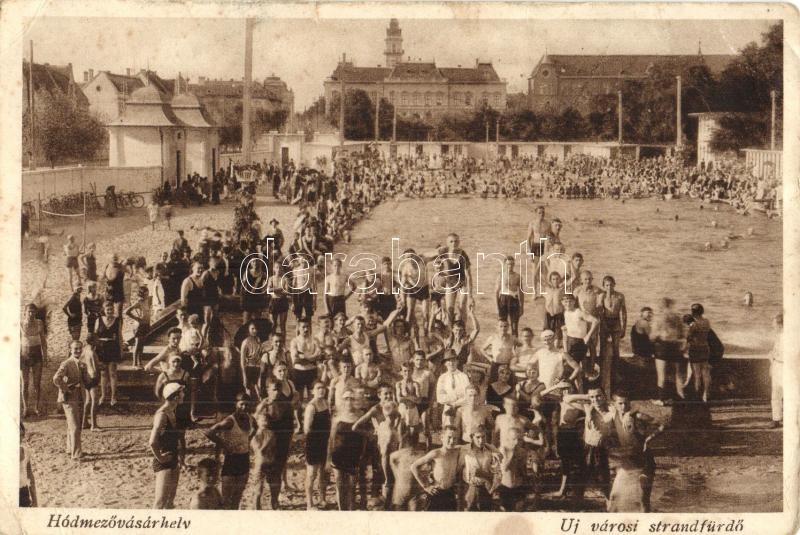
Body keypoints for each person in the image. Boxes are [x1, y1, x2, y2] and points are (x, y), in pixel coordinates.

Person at [205, 393, 255, 510]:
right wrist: (225, 445)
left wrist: (248, 439)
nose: (244, 407)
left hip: (244, 460)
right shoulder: (230, 421)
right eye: (242, 404)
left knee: (237, 498)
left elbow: (256, 428)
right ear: (236, 404)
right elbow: (209, 432)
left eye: (247, 405)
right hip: (231, 461)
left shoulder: (250, 419)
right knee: (226, 499)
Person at [150, 383, 186, 509]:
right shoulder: (162, 415)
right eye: (182, 392)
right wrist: (160, 458)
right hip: (164, 462)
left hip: (173, 458)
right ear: (175, 397)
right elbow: (152, 442)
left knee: (170, 502)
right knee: (160, 503)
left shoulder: (172, 411)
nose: (184, 395)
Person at [329, 388, 366, 510]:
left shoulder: (360, 415)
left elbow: (364, 437)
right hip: (338, 455)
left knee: (351, 487)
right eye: (346, 398)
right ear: (342, 400)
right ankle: (341, 510)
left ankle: (350, 510)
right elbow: (331, 438)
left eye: (351, 398)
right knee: (339, 486)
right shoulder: (337, 416)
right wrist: (328, 458)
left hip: (354, 455)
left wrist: (362, 454)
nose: (349, 401)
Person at [410, 425, 462, 511]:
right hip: (436, 492)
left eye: (455, 438)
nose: (452, 441)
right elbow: (413, 466)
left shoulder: (457, 451)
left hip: (450, 492)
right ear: (442, 438)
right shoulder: (436, 453)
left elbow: (471, 445)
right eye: (449, 437)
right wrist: (426, 486)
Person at [53, 340, 89, 461]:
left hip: (79, 396)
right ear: (70, 350)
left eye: (80, 348)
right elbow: (56, 379)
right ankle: (76, 454)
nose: (78, 351)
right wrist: (66, 389)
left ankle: (70, 448)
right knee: (75, 425)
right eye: (75, 349)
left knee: (72, 424)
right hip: (68, 397)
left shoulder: (82, 364)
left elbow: (85, 380)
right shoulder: (67, 363)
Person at [650, 297, 687, 405]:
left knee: (661, 376)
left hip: (663, 347)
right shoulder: (677, 317)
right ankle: (681, 397)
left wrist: (656, 336)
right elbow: (682, 334)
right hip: (676, 346)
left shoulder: (659, 318)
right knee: (678, 375)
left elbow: (652, 336)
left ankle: (661, 399)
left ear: (661, 306)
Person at [303, 381, 332, 509]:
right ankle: (309, 504)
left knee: (322, 473)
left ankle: (322, 499)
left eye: (323, 388)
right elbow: (306, 429)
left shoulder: (326, 403)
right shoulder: (311, 407)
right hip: (314, 443)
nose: (321, 390)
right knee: (311, 474)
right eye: (318, 388)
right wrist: (316, 439)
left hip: (325, 442)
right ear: (312, 391)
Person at [562, 293, 599, 389]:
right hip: (570, 341)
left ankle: (574, 388)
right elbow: (572, 326)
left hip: (579, 343)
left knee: (573, 368)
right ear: (562, 303)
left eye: (570, 301)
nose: (568, 304)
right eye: (565, 302)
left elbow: (595, 321)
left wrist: (588, 336)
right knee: (573, 368)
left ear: (574, 302)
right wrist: (565, 328)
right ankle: (577, 389)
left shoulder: (579, 312)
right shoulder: (566, 312)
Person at [599, 275, 627, 396]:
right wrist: (604, 326)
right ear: (603, 286)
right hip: (605, 321)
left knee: (616, 349)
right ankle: (602, 372)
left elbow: (623, 312)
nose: (609, 287)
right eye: (606, 285)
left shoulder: (620, 296)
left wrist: (624, 328)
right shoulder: (601, 296)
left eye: (611, 285)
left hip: (615, 322)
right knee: (603, 348)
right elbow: (600, 313)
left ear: (614, 285)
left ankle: (616, 372)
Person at [462, 425, 500, 511]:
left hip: (485, 490)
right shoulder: (464, 452)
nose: (481, 440)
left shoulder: (490, 453)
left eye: (483, 437)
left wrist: (491, 486)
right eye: (478, 437)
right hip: (470, 489)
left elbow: (498, 473)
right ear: (472, 437)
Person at [21, 303, 47, 417]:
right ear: (25, 312)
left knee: (37, 383)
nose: (31, 314)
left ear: (35, 312)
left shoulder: (39, 323)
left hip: (37, 355)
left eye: (33, 311)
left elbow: (43, 341)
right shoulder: (20, 324)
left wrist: (45, 356)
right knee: (25, 383)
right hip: (24, 355)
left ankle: (36, 407)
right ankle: (25, 408)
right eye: (29, 311)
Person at [95, 300, 122, 406]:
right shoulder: (98, 320)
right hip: (101, 349)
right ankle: (103, 395)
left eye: (111, 309)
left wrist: (121, 350)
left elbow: (119, 336)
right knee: (103, 373)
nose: (110, 311)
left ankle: (113, 397)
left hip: (113, 348)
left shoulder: (117, 320)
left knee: (112, 373)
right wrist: (94, 350)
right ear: (104, 310)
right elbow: (95, 336)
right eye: (108, 309)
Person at [436, 349, 471, 427]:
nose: (451, 363)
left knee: (463, 430)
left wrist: (457, 403)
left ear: (457, 362)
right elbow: (440, 397)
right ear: (445, 363)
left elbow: (468, 395)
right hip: (448, 408)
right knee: (449, 430)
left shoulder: (463, 376)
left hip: (462, 408)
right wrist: (453, 401)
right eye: (448, 361)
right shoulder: (442, 378)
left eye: (453, 360)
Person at [686, 303, 712, 402]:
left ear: (693, 313)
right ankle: (706, 394)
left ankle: (697, 395)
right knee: (705, 372)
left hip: (695, 349)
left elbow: (688, 338)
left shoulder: (694, 324)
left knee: (697, 374)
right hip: (705, 348)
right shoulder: (707, 321)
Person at [495, 255, 524, 337]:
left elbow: (521, 292)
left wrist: (522, 307)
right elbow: (496, 292)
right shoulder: (501, 276)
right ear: (504, 264)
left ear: (514, 265)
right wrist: (497, 307)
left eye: (511, 264)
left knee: (514, 326)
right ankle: (502, 342)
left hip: (514, 301)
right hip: (503, 300)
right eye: (508, 264)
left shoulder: (518, 276)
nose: (510, 266)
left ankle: (515, 344)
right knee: (502, 325)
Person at [124, 286, 152, 368]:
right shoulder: (138, 302)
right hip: (139, 325)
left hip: (146, 324)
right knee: (137, 344)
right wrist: (137, 318)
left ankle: (140, 362)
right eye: (145, 294)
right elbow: (127, 311)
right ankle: (134, 363)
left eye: (147, 294)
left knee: (142, 344)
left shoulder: (147, 301)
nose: (147, 295)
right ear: (141, 295)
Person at [81, 335, 101, 431]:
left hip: (86, 378)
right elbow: (96, 367)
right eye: (97, 340)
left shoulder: (84, 350)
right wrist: (99, 377)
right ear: (92, 342)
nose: (98, 341)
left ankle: (84, 422)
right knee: (94, 401)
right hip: (93, 377)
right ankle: (94, 425)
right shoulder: (92, 353)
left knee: (88, 401)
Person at [240, 321, 263, 399]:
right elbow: (242, 360)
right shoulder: (245, 342)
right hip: (249, 368)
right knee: (248, 391)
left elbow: (260, 354)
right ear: (248, 330)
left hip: (258, 367)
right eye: (252, 329)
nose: (255, 331)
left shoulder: (258, 340)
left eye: (256, 329)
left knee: (259, 391)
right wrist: (244, 376)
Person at [769, 312, 783, 428]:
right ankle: (776, 419)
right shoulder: (777, 336)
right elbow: (774, 352)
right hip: (777, 365)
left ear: (780, 324)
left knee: (789, 394)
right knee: (775, 393)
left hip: (786, 366)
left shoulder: (791, 337)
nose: (772, 326)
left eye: (774, 324)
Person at [19, 423, 38, 507]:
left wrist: (35, 501)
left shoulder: (26, 451)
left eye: (22, 435)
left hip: (23, 493)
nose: (20, 439)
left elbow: (30, 477)